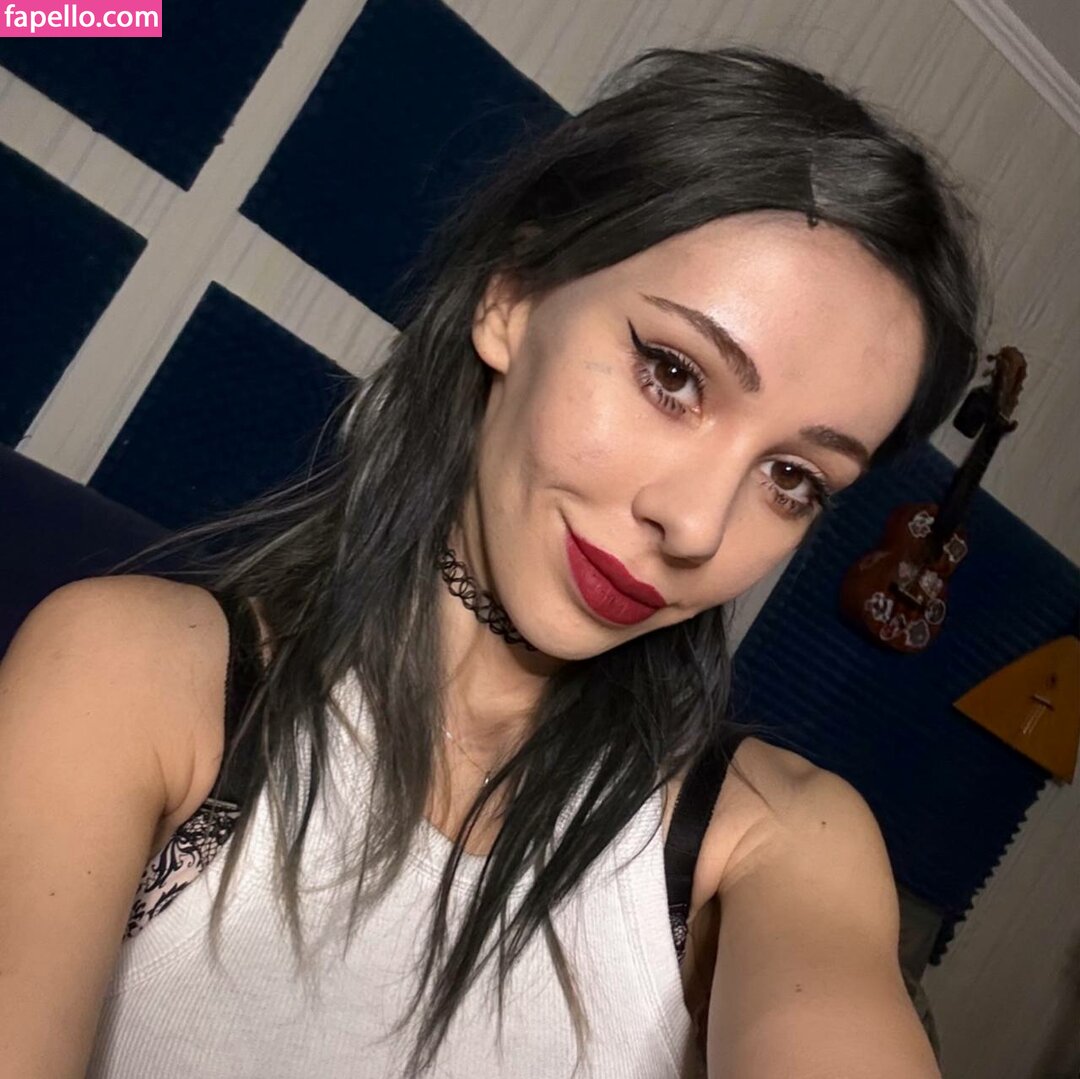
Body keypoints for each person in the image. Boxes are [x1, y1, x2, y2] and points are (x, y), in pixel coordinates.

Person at [0, 46, 980, 1079]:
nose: (696, 525)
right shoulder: (139, 676)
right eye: (672, 373)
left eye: (792, 477)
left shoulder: (778, 839)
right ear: (511, 297)